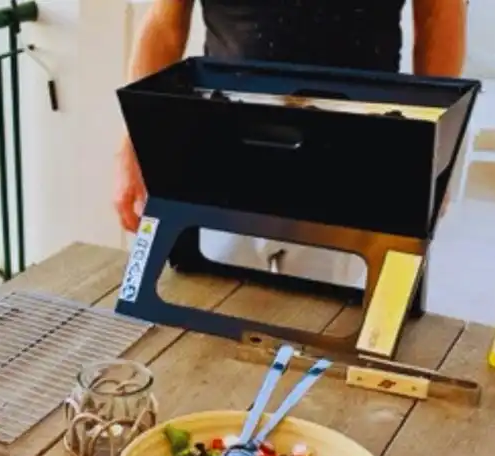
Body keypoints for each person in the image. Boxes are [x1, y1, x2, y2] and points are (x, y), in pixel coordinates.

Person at [113, 0, 467, 285]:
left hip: (354, 151)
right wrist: (135, 139)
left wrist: (435, 146)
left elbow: (439, 13)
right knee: (205, 314)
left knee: (327, 337)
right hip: (222, 146)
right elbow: (164, 21)